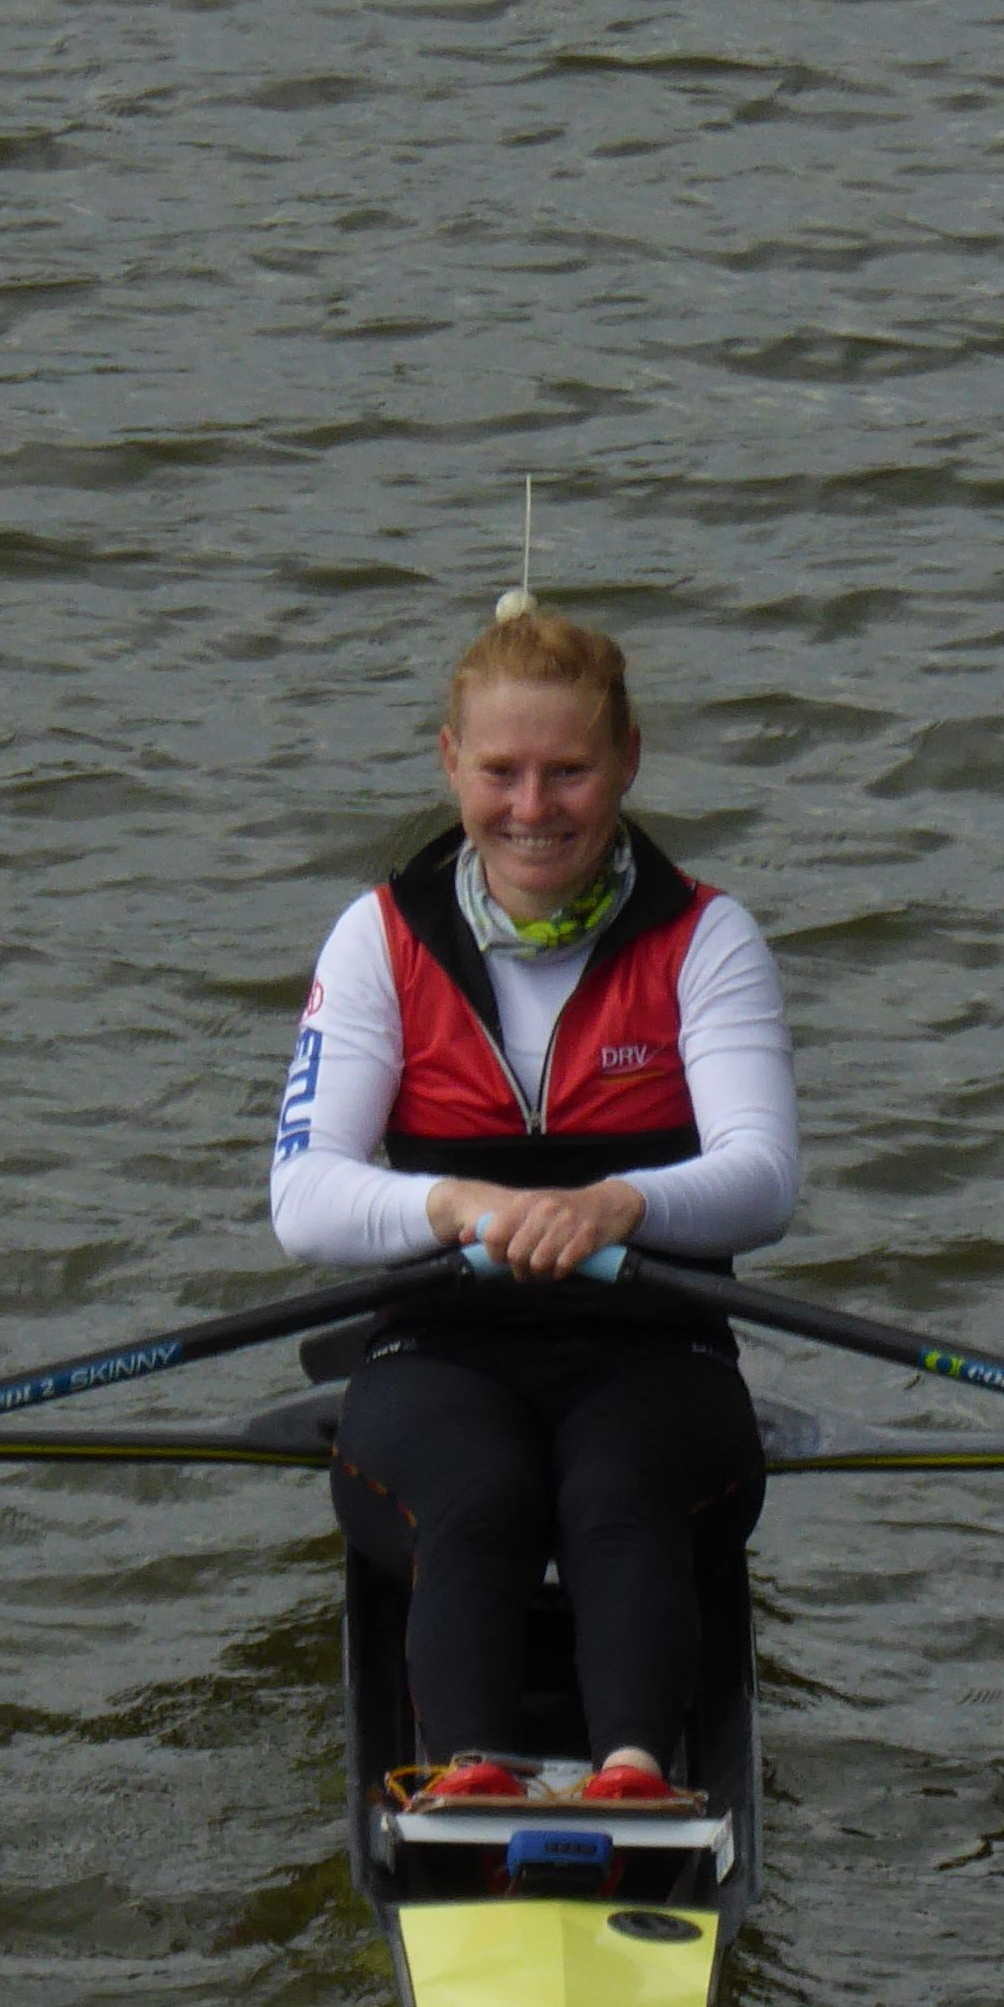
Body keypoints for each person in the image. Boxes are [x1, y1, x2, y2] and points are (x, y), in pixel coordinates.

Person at [268, 601, 800, 1805]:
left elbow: (763, 1179)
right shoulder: (379, 941)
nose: (532, 807)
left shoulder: (706, 940)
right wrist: (457, 1206)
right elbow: (303, 1197)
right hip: (437, 1347)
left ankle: (632, 1779)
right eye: (500, 770)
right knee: (482, 1491)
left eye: (568, 771)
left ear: (627, 763)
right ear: (449, 760)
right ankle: (467, 1780)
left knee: (617, 1493)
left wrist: (617, 1205)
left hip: (655, 1349)